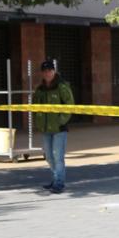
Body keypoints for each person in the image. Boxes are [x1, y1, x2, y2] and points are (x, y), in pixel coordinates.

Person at [32, 59, 74, 193]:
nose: (47, 73)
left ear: (54, 71)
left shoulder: (62, 87)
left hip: (59, 129)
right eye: (45, 71)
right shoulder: (40, 89)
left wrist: (61, 121)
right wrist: (38, 121)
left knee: (58, 156)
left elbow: (70, 105)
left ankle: (59, 183)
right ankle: (56, 179)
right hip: (45, 129)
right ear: (42, 73)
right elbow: (35, 108)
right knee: (49, 157)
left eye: (50, 70)